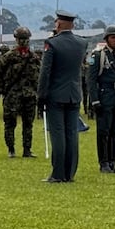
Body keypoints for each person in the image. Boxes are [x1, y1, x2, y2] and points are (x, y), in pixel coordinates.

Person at [38, 10, 88, 182]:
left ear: (58, 23)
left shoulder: (52, 44)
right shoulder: (82, 43)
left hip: (55, 95)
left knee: (58, 134)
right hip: (74, 94)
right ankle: (69, 173)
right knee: (71, 134)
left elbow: (45, 73)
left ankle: (58, 173)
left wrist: (41, 95)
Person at [87, 24, 115, 173]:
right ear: (107, 39)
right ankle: (104, 162)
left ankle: (113, 161)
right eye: (113, 37)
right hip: (105, 97)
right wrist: (94, 100)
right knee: (103, 132)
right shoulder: (98, 56)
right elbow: (91, 80)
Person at [0, 26, 40, 157]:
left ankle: (27, 150)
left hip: (29, 94)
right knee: (10, 123)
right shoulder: (8, 57)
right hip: (12, 95)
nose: (24, 42)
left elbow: (39, 74)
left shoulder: (34, 57)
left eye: (26, 39)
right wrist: (2, 90)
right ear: (16, 40)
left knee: (28, 124)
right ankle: (11, 149)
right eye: (21, 39)